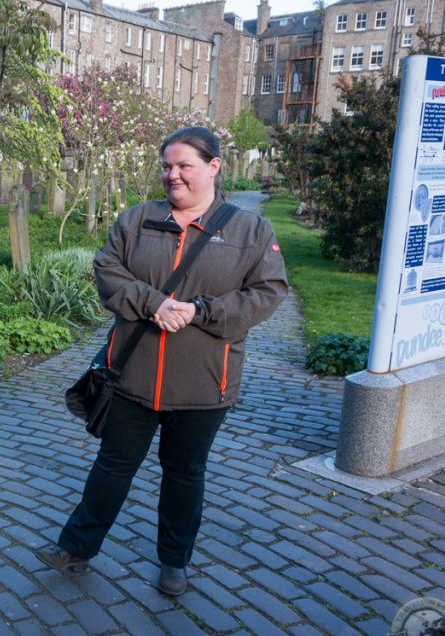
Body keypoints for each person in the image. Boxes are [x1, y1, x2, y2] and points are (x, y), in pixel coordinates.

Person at [36, 126, 288, 596]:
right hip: (133, 377)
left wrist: (201, 311)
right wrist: (153, 303)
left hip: (204, 383)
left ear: (213, 167)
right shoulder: (137, 220)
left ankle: (174, 562)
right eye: (167, 166)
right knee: (112, 466)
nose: (173, 175)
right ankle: (75, 549)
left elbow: (268, 292)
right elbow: (106, 269)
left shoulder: (251, 229)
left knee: (184, 473)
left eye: (184, 166)